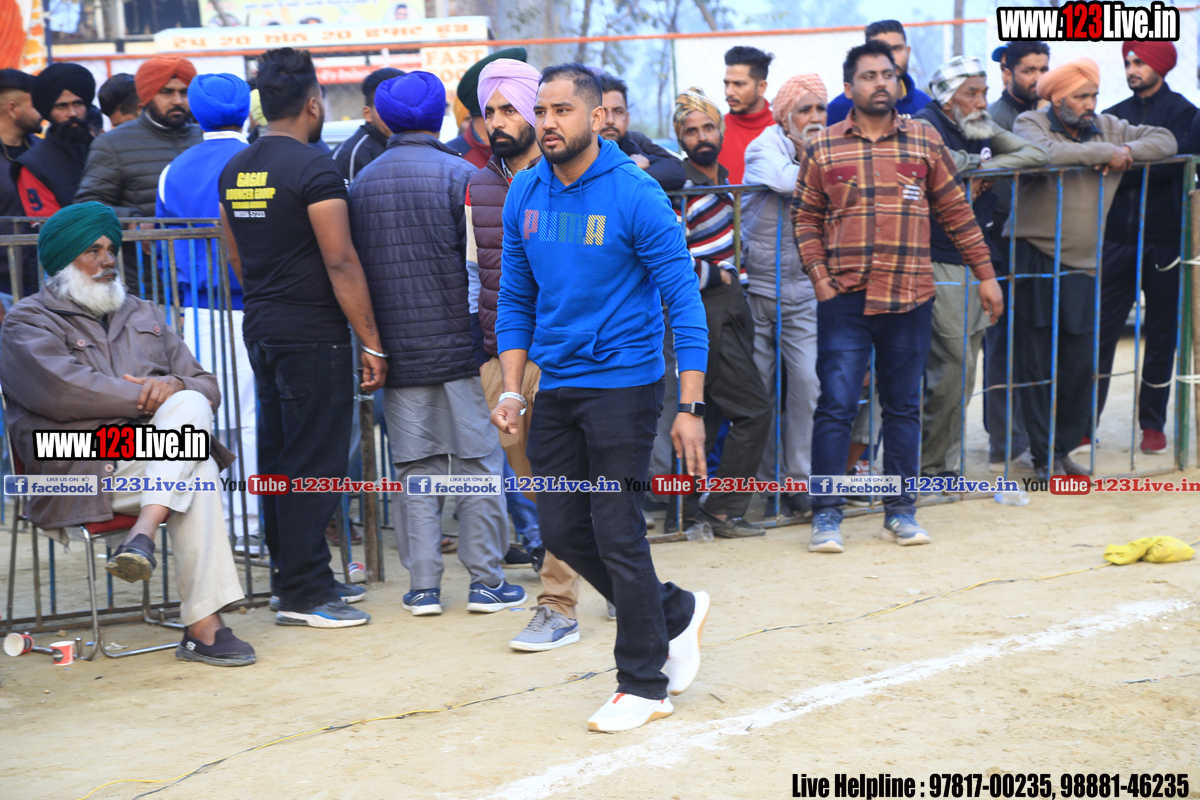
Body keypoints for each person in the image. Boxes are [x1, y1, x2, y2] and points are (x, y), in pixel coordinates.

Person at [494, 63, 710, 733]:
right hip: (556, 383)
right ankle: (672, 610)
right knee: (561, 530)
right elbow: (515, 298)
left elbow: (684, 300)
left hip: (625, 382)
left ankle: (643, 684)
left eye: (562, 110)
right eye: (541, 111)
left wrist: (690, 407)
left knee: (617, 529)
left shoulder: (636, 193)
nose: (547, 122)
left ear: (596, 117)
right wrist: (512, 390)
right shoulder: (524, 191)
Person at [0, 203, 255, 666]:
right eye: (93, 251)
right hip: (72, 463)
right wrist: (150, 397)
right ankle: (203, 625)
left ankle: (143, 535)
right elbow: (63, 392)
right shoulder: (28, 321)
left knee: (191, 414)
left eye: (111, 249)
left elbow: (206, 384)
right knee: (195, 460)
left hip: (148, 457)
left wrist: (174, 384)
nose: (108, 261)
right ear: (63, 260)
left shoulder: (143, 312)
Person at [792, 40, 1002, 553]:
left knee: (904, 406)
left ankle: (900, 513)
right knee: (836, 405)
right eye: (869, 76)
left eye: (887, 74)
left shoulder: (923, 141)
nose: (881, 83)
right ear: (849, 88)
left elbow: (956, 213)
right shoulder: (824, 147)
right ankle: (827, 515)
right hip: (845, 298)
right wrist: (819, 278)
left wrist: (986, 275)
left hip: (909, 294)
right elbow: (805, 218)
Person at [218, 48, 387, 628]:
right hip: (312, 333)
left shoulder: (235, 169)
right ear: (314, 103)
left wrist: (271, 299)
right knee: (314, 462)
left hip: (263, 326)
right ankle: (305, 594)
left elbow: (235, 257)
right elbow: (340, 260)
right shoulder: (316, 169)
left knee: (280, 457)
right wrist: (371, 340)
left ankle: (291, 576)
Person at [349, 71, 525, 618]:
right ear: (442, 115)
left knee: (415, 470)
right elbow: (483, 269)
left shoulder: (362, 183)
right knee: (478, 466)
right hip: (462, 349)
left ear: (384, 118)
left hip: (398, 354)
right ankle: (486, 582)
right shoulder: (463, 176)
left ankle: (423, 587)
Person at [462, 58, 585, 650]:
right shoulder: (477, 187)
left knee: (568, 480)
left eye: (510, 109)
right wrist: (482, 352)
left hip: (564, 352)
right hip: (500, 356)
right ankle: (610, 567)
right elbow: (472, 274)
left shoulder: (573, 177)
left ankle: (558, 603)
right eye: (490, 111)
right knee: (535, 481)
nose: (498, 121)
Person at [1009, 58, 1176, 479]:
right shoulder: (1031, 122)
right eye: (1080, 97)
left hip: (1084, 260)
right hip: (1035, 253)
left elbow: (1166, 140)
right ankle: (1041, 456)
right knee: (1036, 363)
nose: (1090, 104)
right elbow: (1043, 153)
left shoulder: (1107, 125)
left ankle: (1062, 449)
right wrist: (1105, 153)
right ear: (1056, 99)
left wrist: (1126, 151)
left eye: (1093, 95)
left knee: (1081, 362)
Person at [913, 56, 1048, 484]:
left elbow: (1035, 153)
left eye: (984, 92)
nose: (981, 101)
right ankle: (929, 467)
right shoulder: (927, 122)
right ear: (947, 98)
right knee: (951, 368)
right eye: (971, 93)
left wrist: (983, 168)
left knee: (964, 370)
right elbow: (941, 162)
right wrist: (968, 170)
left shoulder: (980, 124)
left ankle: (943, 466)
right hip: (939, 256)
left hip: (976, 256)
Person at [156, 73, 261, 557]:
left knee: (204, 419)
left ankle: (212, 526)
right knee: (249, 420)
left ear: (197, 112)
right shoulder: (256, 161)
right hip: (252, 306)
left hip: (196, 314)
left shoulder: (173, 169)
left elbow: (163, 248)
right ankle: (247, 526)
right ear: (245, 110)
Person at [667, 86, 770, 538]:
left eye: (708, 127)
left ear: (721, 130)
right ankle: (725, 510)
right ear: (680, 138)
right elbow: (669, 257)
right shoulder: (680, 188)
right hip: (706, 305)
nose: (701, 136)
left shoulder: (725, 178)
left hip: (732, 304)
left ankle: (686, 512)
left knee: (705, 415)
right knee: (753, 411)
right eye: (691, 131)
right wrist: (719, 278)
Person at [1096, 41, 1195, 455]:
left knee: (1161, 336)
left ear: (1160, 66)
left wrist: (1124, 161)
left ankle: (1152, 423)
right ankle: (1083, 424)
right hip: (1116, 240)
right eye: (1128, 62)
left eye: (1139, 62)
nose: (1131, 69)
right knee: (1099, 333)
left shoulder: (1187, 114)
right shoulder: (1112, 114)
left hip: (1166, 241)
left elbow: (1174, 169)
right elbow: (1104, 166)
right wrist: (1134, 162)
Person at [742, 73, 829, 521]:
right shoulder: (762, 147)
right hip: (758, 288)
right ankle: (766, 481)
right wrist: (830, 166)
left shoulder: (824, 147)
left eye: (820, 109)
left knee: (807, 385)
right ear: (784, 116)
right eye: (804, 109)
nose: (814, 117)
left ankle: (798, 480)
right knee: (759, 389)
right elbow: (785, 181)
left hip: (803, 287)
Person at [983, 41, 1050, 474]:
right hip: (1003, 243)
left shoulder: (1051, 116)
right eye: (1029, 70)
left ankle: (1040, 436)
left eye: (1044, 69)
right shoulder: (993, 119)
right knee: (1002, 346)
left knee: (1036, 344)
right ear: (1007, 73)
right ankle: (1005, 444)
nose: (1038, 78)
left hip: (1038, 245)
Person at [74, 56, 202, 217]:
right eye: (167, 92)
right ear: (146, 96)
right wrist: (134, 221)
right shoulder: (112, 144)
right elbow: (87, 205)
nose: (178, 101)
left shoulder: (204, 137)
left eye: (184, 92)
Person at [13, 63, 96, 219]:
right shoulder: (33, 165)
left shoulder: (104, 150)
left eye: (78, 104)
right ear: (48, 111)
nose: (72, 113)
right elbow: (50, 225)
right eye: (62, 106)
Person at [826, 20, 932, 125]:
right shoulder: (840, 108)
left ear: (908, 52)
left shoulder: (925, 103)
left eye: (897, 49)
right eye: (881, 50)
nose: (891, 57)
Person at [597, 72, 686, 191]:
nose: (610, 120)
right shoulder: (581, 148)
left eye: (618, 112)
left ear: (627, 118)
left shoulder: (635, 141)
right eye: (603, 112)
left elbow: (675, 172)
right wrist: (628, 168)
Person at [0, 68, 42, 306]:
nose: (42, 112)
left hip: (43, 282)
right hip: (3, 287)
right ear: (12, 109)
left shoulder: (43, 151)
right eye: (35, 105)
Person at [456, 48, 529, 168]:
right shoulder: (454, 161)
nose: (496, 123)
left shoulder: (548, 156)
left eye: (510, 111)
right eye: (489, 113)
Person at [331, 67, 404, 181]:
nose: (396, 114)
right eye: (387, 108)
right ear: (368, 114)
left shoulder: (410, 144)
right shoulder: (351, 155)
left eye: (402, 106)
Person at [720, 46, 775, 184]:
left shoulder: (782, 130)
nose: (729, 92)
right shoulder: (714, 130)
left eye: (739, 84)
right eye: (727, 83)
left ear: (762, 87)